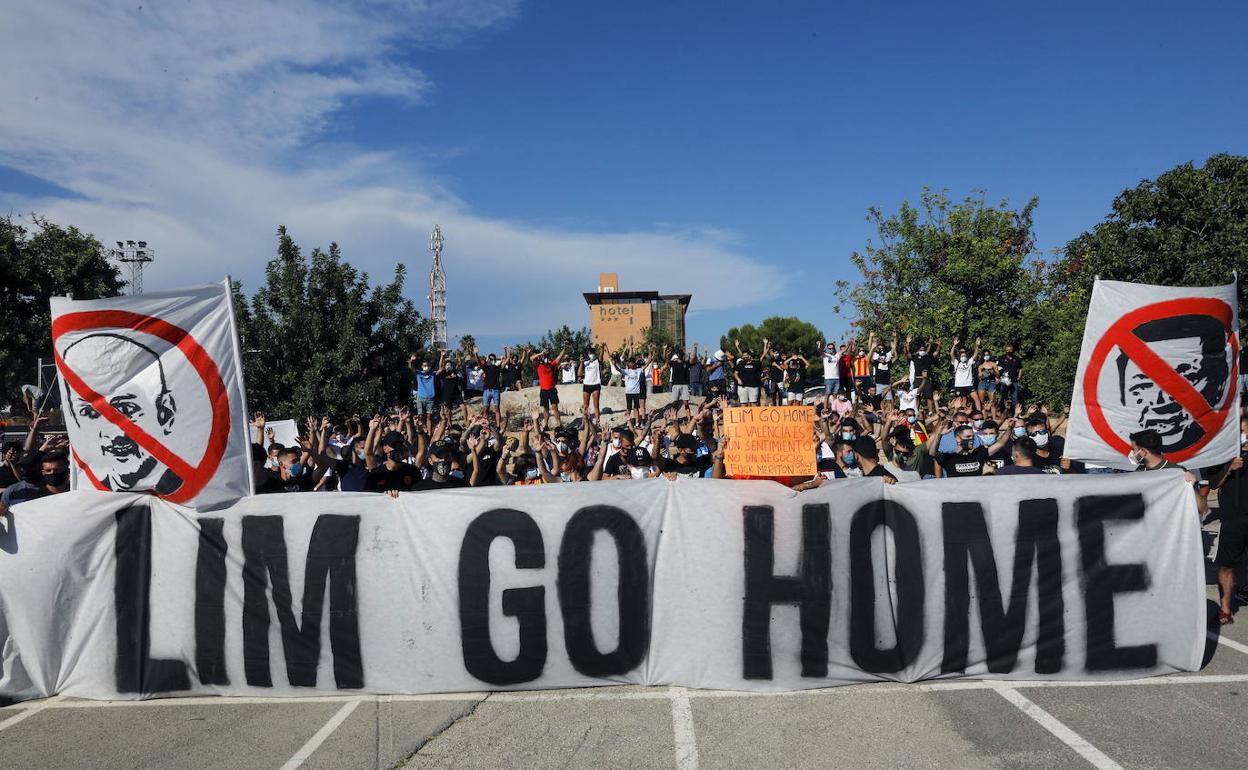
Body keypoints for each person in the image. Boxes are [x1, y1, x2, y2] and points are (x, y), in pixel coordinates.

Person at [60, 332, 185, 496]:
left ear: (165, 413)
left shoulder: (197, 497)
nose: (110, 432)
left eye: (126, 410)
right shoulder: (88, 498)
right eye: (90, 413)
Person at [1209, 420, 1248, 625]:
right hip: (1234, 517)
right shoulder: (1225, 455)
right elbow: (1214, 484)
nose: (1243, 433)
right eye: (1240, 429)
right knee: (1227, 565)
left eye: (1245, 429)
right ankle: (1225, 609)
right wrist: (1229, 468)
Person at [0, 451, 70, 514]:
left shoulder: (76, 490)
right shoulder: (31, 499)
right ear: (43, 472)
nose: (53, 473)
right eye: (48, 470)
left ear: (67, 469)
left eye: (57, 470)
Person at [531, 349, 566, 425]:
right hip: (544, 390)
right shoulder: (538, 365)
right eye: (545, 357)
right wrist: (541, 353)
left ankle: (559, 424)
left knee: (555, 408)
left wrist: (564, 348)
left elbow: (559, 357)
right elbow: (532, 358)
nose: (546, 359)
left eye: (547, 357)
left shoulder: (551, 365)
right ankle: (546, 424)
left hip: (552, 389)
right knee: (545, 409)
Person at [409, 351, 444, 428]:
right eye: (424, 365)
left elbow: (441, 368)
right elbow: (411, 368)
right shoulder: (418, 373)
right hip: (420, 397)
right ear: (422, 366)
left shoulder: (433, 374)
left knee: (429, 417)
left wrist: (442, 356)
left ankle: (429, 432)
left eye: (427, 365)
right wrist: (411, 360)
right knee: (420, 416)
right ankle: (422, 431)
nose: (426, 367)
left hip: (430, 398)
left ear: (430, 367)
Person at [949, 337, 980, 408]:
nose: (963, 356)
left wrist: (977, 346)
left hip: (968, 384)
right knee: (961, 402)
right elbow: (951, 354)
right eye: (962, 355)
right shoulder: (956, 362)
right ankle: (961, 416)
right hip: (959, 385)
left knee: (977, 399)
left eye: (965, 355)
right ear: (959, 356)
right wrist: (954, 345)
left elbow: (975, 354)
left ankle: (979, 415)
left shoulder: (969, 362)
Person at [734, 340, 764, 406]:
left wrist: (765, 345)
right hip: (742, 387)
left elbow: (763, 355)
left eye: (746, 355)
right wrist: (738, 380)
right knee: (743, 404)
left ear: (750, 356)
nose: (744, 357)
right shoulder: (740, 363)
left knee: (753, 404)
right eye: (743, 356)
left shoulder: (756, 363)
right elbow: (735, 373)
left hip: (753, 386)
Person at [579, 345, 605, 420]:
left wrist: (602, 348)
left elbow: (601, 356)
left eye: (593, 352)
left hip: (596, 385)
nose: (591, 354)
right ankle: (585, 422)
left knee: (596, 405)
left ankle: (597, 421)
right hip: (586, 385)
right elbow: (579, 374)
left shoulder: (597, 362)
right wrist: (581, 362)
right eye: (590, 352)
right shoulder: (585, 363)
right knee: (585, 405)